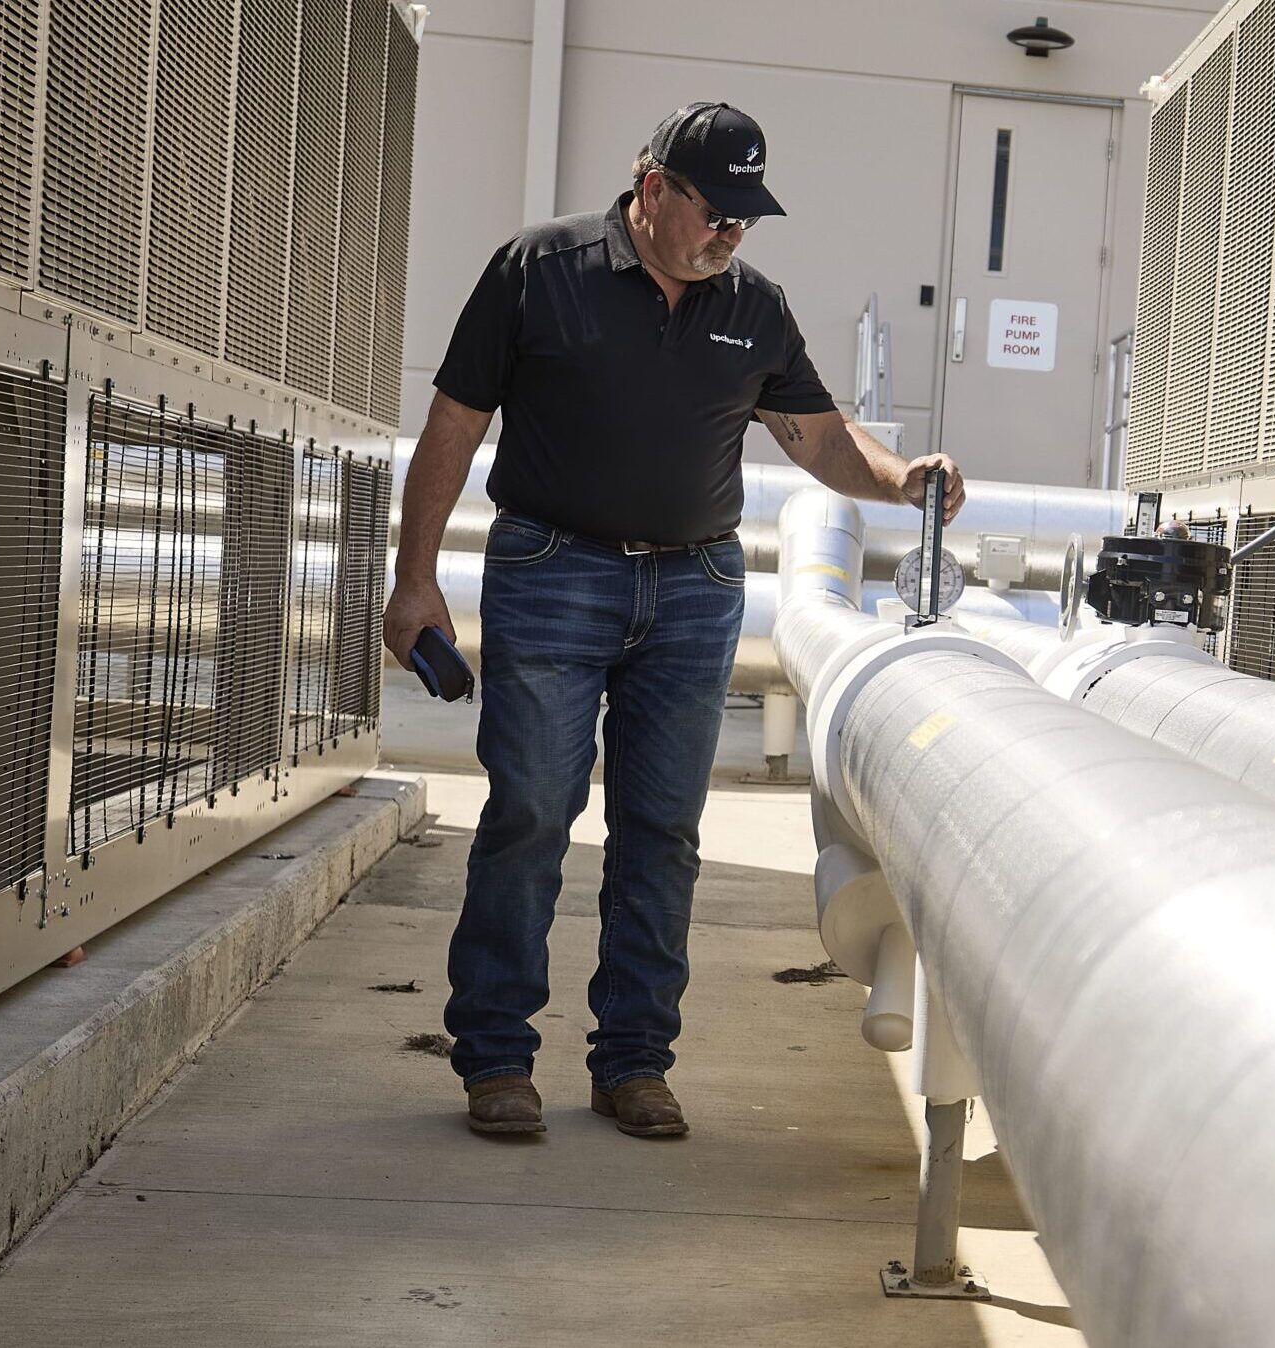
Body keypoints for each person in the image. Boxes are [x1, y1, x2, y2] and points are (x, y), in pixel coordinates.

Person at [382, 101, 964, 1138]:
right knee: (530, 812)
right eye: (716, 209)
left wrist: (898, 477)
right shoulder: (537, 270)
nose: (731, 232)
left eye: (748, 215)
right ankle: (497, 1060)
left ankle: (636, 1061)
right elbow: (454, 426)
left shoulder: (754, 306)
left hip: (695, 589)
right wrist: (414, 577)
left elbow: (818, 441)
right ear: (652, 188)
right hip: (553, 569)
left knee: (662, 831)